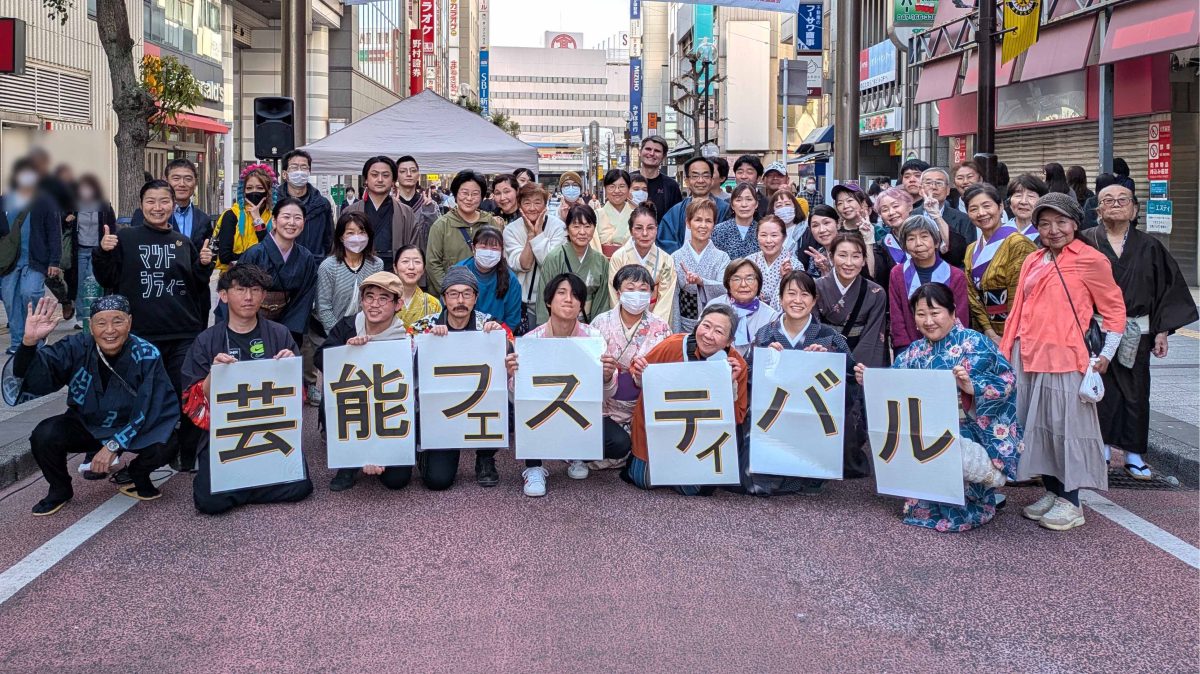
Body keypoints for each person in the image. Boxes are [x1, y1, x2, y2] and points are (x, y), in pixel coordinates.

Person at [1001, 193, 1126, 532]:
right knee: (1037, 429)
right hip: (1027, 355)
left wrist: (1105, 355)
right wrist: (1006, 350)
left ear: (1075, 223)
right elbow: (1018, 309)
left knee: (1066, 430)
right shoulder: (1035, 258)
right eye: (1045, 223)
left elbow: (1114, 310)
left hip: (1066, 357)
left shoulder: (1090, 259)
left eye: (1060, 222)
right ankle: (1053, 492)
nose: (1053, 230)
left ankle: (1072, 502)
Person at [856, 283, 1022, 532]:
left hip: (966, 428)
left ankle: (978, 499)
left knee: (959, 477)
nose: (928, 321)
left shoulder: (975, 343)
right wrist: (871, 379)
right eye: (921, 314)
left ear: (953, 313)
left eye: (935, 313)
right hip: (925, 429)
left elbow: (1006, 381)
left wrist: (970, 386)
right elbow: (895, 384)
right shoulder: (915, 351)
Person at [6, 296, 177, 515]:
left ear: (130, 322)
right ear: (91, 325)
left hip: (132, 425)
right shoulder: (76, 346)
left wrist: (114, 445)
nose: (110, 330)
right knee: (44, 434)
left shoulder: (147, 354)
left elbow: (152, 408)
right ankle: (60, 490)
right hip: (88, 422)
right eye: (101, 323)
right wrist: (29, 344)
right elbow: (33, 373)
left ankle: (137, 474)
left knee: (168, 440)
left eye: (118, 321)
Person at [94, 179, 213, 471]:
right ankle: (145, 452)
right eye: (151, 201)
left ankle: (186, 454)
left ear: (173, 205)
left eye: (163, 201)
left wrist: (203, 265)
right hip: (140, 335)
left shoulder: (182, 242)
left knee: (186, 393)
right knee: (144, 397)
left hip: (182, 332)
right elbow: (107, 280)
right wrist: (103, 252)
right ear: (141, 205)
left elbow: (195, 286)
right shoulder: (126, 238)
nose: (157, 207)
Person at [1082, 184, 1197, 480]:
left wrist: (1161, 331)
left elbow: (1167, 290)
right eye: (1108, 200)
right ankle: (1101, 448)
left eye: (1123, 200)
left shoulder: (1150, 246)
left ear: (1134, 209)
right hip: (1096, 329)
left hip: (1138, 330)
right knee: (1097, 389)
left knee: (1135, 392)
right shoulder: (1085, 242)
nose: (1116, 205)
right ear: (1098, 210)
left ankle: (1133, 453)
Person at [182, 264, 313, 515]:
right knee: (209, 503)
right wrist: (213, 374)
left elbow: (299, 396)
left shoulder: (279, 334)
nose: (249, 297)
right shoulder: (207, 340)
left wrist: (290, 370)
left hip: (270, 430)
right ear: (222, 295)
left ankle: (241, 490)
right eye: (240, 289)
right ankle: (255, 486)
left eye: (255, 290)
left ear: (264, 296)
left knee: (301, 487)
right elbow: (192, 401)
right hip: (227, 433)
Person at [757, 270, 871, 486]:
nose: (797, 301)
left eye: (804, 295)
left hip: (815, 417)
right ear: (781, 299)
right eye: (791, 294)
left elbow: (849, 376)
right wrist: (765, 360)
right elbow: (752, 376)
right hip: (778, 413)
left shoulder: (829, 336)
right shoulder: (766, 334)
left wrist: (830, 361)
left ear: (814, 300)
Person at [626, 303, 747, 495]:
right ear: (697, 325)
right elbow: (639, 372)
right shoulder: (674, 344)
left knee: (692, 489)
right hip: (660, 429)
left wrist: (728, 385)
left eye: (718, 331)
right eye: (706, 326)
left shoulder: (735, 365)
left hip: (698, 435)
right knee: (644, 481)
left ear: (729, 341)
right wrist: (640, 374)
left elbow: (737, 418)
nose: (708, 335)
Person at [409, 266, 510, 489]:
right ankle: (426, 450)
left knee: (504, 406)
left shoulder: (489, 324)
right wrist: (428, 343)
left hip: (477, 405)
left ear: (476, 298)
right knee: (438, 481)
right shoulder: (423, 326)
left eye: (467, 293)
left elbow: (513, 362)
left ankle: (485, 456)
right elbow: (403, 369)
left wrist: (502, 342)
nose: (460, 300)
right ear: (444, 298)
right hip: (439, 411)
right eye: (453, 294)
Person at [509, 273, 607, 494]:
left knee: (617, 442)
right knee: (528, 412)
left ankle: (576, 454)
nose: (568, 299)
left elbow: (607, 393)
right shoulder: (531, 341)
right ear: (548, 302)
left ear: (581, 304)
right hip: (543, 409)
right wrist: (513, 375)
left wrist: (608, 376)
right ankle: (534, 468)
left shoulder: (594, 339)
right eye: (561, 293)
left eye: (575, 295)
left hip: (577, 410)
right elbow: (517, 396)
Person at [317, 271, 415, 492]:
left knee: (396, 481)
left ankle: (384, 452)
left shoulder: (404, 339)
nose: (374, 305)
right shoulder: (349, 325)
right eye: (369, 297)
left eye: (383, 299)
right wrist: (346, 351)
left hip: (388, 410)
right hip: (353, 406)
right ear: (361, 301)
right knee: (331, 396)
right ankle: (348, 462)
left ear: (398, 304)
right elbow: (320, 359)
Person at [590, 264, 673, 472]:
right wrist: (606, 372)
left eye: (643, 289)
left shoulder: (661, 327)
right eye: (630, 288)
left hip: (641, 405)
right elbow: (589, 367)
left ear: (651, 294)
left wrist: (646, 375)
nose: (637, 294)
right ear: (618, 292)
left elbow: (668, 372)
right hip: (604, 404)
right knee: (618, 443)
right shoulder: (601, 322)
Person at [311, 211, 384, 403]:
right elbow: (323, 307)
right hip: (335, 333)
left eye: (361, 232)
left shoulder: (376, 265)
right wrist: (340, 335)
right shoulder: (329, 266)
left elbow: (379, 301)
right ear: (341, 236)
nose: (356, 237)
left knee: (366, 381)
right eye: (350, 233)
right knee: (338, 382)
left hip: (367, 333)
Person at [236, 196, 319, 346]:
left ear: (304, 223)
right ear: (274, 221)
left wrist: (286, 332)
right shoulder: (255, 253)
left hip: (288, 328)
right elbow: (237, 291)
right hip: (252, 323)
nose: (291, 223)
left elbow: (304, 298)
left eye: (297, 218)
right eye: (286, 217)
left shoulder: (306, 257)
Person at [0, 158, 62, 353]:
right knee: (10, 298)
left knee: (30, 293)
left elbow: (54, 231)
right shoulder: (5, 199)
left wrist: (54, 260)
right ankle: (18, 341)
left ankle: (36, 337)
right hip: (9, 261)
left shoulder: (45, 201)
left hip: (36, 260)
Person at [963, 184, 1036, 342]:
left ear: (1001, 206)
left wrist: (1005, 336)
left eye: (987, 206)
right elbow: (972, 294)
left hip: (1017, 332)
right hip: (984, 331)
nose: (981, 213)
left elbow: (1019, 293)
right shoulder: (971, 249)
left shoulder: (1017, 243)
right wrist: (990, 332)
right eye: (973, 209)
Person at [887, 215, 970, 353]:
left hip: (949, 348)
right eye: (911, 239)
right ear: (905, 246)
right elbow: (897, 315)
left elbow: (960, 317)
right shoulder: (897, 273)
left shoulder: (955, 275)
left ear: (936, 242)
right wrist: (906, 350)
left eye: (924, 236)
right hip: (909, 348)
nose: (918, 243)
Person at [816, 233, 889, 367]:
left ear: (863, 260)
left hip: (859, 362)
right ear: (831, 257)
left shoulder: (876, 293)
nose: (849, 263)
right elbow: (812, 328)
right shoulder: (816, 288)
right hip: (822, 357)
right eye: (842, 255)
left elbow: (873, 334)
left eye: (855, 256)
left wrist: (855, 366)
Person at [425, 170, 500, 295]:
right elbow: (433, 264)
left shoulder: (490, 223)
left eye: (475, 194)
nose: (469, 198)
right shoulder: (441, 225)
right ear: (455, 195)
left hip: (486, 294)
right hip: (451, 296)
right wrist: (450, 292)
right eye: (464, 193)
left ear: (482, 196)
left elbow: (500, 258)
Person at [504, 182, 566, 332]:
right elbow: (524, 264)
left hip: (554, 299)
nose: (532, 208)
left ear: (545, 205)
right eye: (527, 203)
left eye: (537, 202)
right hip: (524, 301)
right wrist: (531, 235)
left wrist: (538, 234)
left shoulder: (558, 226)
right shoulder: (511, 230)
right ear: (519, 205)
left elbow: (549, 262)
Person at [341, 156, 420, 273]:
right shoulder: (350, 211)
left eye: (386, 175)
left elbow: (414, 249)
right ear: (366, 180)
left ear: (393, 181)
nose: (380, 179)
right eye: (374, 175)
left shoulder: (406, 213)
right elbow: (340, 247)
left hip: (394, 273)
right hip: (357, 270)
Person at [536, 204, 611, 324]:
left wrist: (597, 330)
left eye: (587, 226)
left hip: (589, 324)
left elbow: (602, 302)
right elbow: (543, 297)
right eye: (576, 226)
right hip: (558, 324)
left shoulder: (601, 261)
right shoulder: (554, 258)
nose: (582, 232)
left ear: (594, 228)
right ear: (567, 228)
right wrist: (547, 330)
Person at [607, 203, 677, 324]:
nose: (645, 233)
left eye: (650, 228)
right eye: (639, 228)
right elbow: (615, 294)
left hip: (655, 318)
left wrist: (653, 325)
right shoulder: (619, 257)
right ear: (631, 230)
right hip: (624, 319)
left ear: (657, 229)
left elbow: (666, 300)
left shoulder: (666, 260)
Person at [671, 198, 730, 333]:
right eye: (698, 220)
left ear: (714, 225)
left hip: (714, 325)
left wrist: (701, 282)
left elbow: (725, 289)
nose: (703, 225)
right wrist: (676, 330)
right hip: (685, 323)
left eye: (708, 221)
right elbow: (674, 298)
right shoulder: (675, 257)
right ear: (688, 223)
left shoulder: (722, 257)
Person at [705, 257, 779, 358]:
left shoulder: (770, 316)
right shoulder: (714, 307)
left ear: (759, 282)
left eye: (749, 279)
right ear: (728, 283)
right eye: (736, 279)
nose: (743, 284)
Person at [658, 157, 731, 254]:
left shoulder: (724, 209)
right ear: (687, 181)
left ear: (711, 180)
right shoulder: (675, 212)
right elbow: (665, 241)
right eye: (695, 176)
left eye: (705, 176)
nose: (700, 180)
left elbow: (729, 241)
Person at [69, 174, 115, 326]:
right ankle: (81, 317)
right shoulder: (73, 206)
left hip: (98, 250)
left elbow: (112, 226)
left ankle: (94, 315)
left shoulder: (104, 205)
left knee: (95, 281)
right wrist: (66, 218)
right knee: (81, 283)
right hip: (80, 250)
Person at [455, 226, 521, 331]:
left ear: (502, 251)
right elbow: (448, 308)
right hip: (462, 333)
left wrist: (499, 334)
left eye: (494, 249)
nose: (489, 252)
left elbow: (512, 319)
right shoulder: (458, 272)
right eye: (483, 247)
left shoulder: (511, 280)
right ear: (473, 248)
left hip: (496, 334)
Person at [215, 163, 275, 268]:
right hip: (234, 278)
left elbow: (271, 251)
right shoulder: (231, 215)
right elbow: (225, 257)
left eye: (260, 188)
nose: (254, 192)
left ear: (267, 191)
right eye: (249, 188)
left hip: (265, 277)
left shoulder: (274, 217)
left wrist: (257, 220)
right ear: (243, 191)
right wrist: (257, 258)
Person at [275, 150, 333, 258]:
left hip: (314, 264)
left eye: (304, 167)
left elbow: (329, 240)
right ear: (284, 174)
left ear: (309, 172)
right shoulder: (274, 202)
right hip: (281, 264)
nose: (299, 171)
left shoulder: (322, 204)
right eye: (294, 167)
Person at [915, 167, 974, 265]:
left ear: (948, 190)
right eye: (928, 183)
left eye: (939, 183)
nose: (933, 187)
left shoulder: (964, 219)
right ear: (921, 190)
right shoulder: (910, 217)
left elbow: (968, 254)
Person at [745, 216, 800, 312]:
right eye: (763, 235)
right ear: (757, 236)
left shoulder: (795, 265)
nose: (768, 240)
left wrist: (786, 278)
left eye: (774, 235)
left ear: (784, 237)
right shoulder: (749, 262)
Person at [392, 244, 442, 325]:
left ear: (423, 269)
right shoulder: (386, 300)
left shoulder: (433, 304)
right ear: (395, 267)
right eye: (405, 261)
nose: (411, 267)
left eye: (417, 262)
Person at [636, 136, 683, 221]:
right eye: (648, 149)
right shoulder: (628, 180)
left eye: (657, 151)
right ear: (640, 152)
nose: (651, 153)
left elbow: (677, 219)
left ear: (664, 156)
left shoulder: (671, 186)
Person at [395, 155, 442, 240]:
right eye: (403, 171)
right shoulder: (389, 204)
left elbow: (438, 235)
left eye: (413, 171)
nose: (409, 174)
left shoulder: (431, 205)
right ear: (396, 176)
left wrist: (429, 211)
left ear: (418, 176)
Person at [712, 182, 761, 260]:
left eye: (749, 199)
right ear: (732, 205)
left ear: (756, 204)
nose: (744, 204)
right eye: (738, 200)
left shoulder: (762, 231)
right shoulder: (719, 230)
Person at [594, 169, 633, 255]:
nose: (617, 191)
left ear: (629, 188)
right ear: (605, 189)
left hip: (631, 264)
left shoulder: (637, 216)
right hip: (604, 264)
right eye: (612, 186)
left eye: (622, 186)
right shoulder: (595, 215)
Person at [796, 204, 838, 279]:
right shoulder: (817, 256)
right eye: (815, 225)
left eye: (826, 223)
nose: (822, 230)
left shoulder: (849, 250)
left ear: (837, 223)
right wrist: (824, 271)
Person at [1007, 173, 1049, 242]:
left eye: (1031, 196)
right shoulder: (999, 234)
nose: (1023, 202)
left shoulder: (1047, 234)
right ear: (1009, 201)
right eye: (1018, 195)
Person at [769, 188, 808, 254]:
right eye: (779, 205)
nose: (784, 208)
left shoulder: (806, 232)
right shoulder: (767, 232)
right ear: (773, 210)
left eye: (787, 204)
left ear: (795, 207)